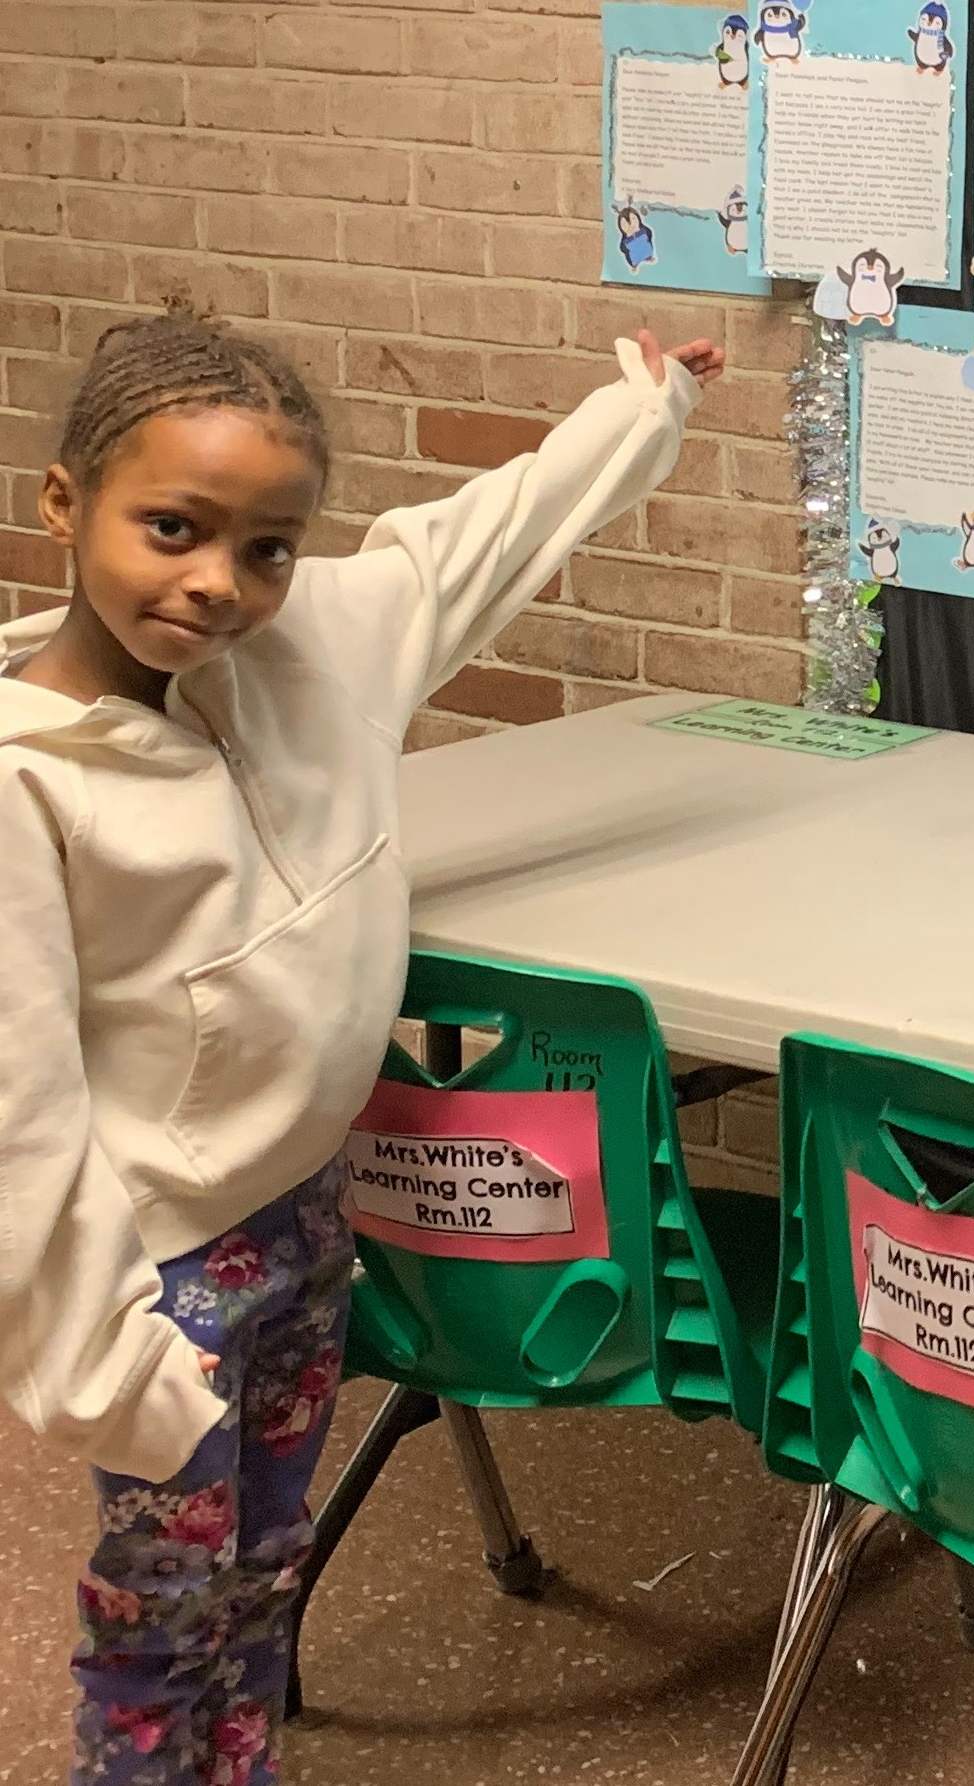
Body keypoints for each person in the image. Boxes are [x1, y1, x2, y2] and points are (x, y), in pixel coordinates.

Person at [0, 305, 722, 1784]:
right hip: (160, 1276)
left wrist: (640, 415)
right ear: (64, 503)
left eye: (265, 547)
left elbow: (472, 542)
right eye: (172, 528)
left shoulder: (318, 637)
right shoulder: (27, 788)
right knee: (159, 1623)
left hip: (302, 1220)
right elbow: (22, 1124)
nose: (220, 582)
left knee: (267, 1571)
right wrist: (109, 1374)